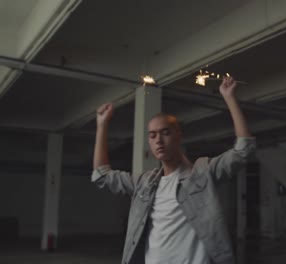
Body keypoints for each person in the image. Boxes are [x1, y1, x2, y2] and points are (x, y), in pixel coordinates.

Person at [91, 76, 255, 264]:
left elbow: (243, 151)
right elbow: (101, 176)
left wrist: (229, 98)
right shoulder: (144, 183)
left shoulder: (202, 173)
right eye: (152, 136)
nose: (158, 140)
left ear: (179, 135)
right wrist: (102, 125)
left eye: (165, 133)